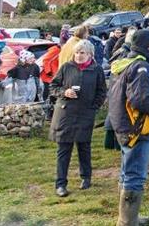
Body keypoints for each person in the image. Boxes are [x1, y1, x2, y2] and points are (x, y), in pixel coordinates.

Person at [108, 30, 149, 226]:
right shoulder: (141, 67)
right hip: (137, 128)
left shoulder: (123, 63)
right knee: (135, 174)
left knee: (127, 171)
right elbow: (140, 99)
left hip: (121, 124)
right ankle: (127, 221)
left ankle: (128, 217)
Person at [49, 39, 107, 197]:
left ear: (90, 54)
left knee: (84, 147)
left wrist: (93, 107)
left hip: (85, 113)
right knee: (64, 149)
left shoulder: (96, 70)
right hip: (65, 112)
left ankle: (86, 177)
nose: (79, 56)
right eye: (77, 52)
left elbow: (102, 91)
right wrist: (64, 92)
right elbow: (53, 86)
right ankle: (60, 184)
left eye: (82, 53)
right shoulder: (66, 67)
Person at [40, 42, 62, 120]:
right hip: (49, 77)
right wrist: (48, 72)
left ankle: (51, 114)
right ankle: (47, 114)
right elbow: (46, 60)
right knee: (49, 96)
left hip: (54, 76)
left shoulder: (60, 50)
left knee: (53, 96)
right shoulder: (56, 50)